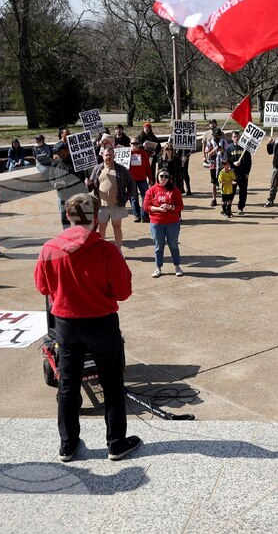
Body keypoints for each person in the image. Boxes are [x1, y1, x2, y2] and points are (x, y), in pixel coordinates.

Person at [34, 193, 141, 463]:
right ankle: (116, 443)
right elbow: (123, 291)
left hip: (67, 325)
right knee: (112, 383)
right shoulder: (106, 250)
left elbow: (43, 288)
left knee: (68, 385)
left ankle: (68, 445)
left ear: (67, 217)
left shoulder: (49, 248)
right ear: (96, 219)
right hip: (101, 322)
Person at [85, 147, 135, 252]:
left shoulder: (121, 169)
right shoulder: (97, 169)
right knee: (101, 228)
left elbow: (132, 184)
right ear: (102, 156)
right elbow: (91, 186)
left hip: (117, 204)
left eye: (110, 155)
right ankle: (102, 251)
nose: (108, 157)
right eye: (106, 155)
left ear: (114, 156)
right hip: (101, 205)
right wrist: (88, 184)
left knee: (117, 228)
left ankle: (118, 250)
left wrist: (125, 198)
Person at [143, 169, 185, 278]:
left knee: (173, 245)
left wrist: (171, 207)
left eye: (166, 176)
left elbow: (180, 206)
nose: (164, 179)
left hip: (172, 222)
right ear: (157, 176)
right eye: (161, 176)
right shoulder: (151, 190)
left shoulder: (174, 190)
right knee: (158, 246)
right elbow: (146, 206)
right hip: (157, 222)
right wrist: (158, 209)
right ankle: (158, 267)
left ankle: (177, 266)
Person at [47, 142, 86, 229]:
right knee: (64, 219)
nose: (56, 153)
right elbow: (51, 176)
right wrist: (54, 184)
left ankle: (80, 237)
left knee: (78, 218)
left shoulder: (76, 162)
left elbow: (81, 178)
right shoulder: (55, 163)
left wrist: (66, 185)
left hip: (76, 196)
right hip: (62, 197)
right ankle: (67, 237)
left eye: (58, 151)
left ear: (65, 150)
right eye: (55, 152)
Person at [127, 137, 153, 223]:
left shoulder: (143, 153)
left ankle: (145, 215)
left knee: (145, 197)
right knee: (134, 198)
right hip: (131, 180)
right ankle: (137, 215)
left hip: (142, 179)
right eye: (133, 143)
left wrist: (150, 178)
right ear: (129, 144)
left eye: (136, 143)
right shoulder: (127, 154)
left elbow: (148, 167)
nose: (135, 145)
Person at [228, 130, 251, 215]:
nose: (236, 138)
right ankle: (228, 207)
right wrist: (233, 163)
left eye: (238, 137)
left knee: (243, 191)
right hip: (233, 173)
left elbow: (249, 161)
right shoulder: (229, 148)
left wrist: (247, 172)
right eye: (234, 137)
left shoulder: (245, 148)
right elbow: (226, 160)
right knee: (231, 191)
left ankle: (240, 208)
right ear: (232, 138)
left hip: (243, 173)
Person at [203, 122, 224, 207]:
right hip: (213, 164)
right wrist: (214, 150)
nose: (217, 137)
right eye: (215, 136)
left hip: (222, 164)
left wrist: (221, 150)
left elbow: (226, 151)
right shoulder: (209, 143)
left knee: (223, 182)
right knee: (214, 182)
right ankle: (214, 199)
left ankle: (224, 198)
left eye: (218, 136)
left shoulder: (223, 142)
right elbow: (208, 154)